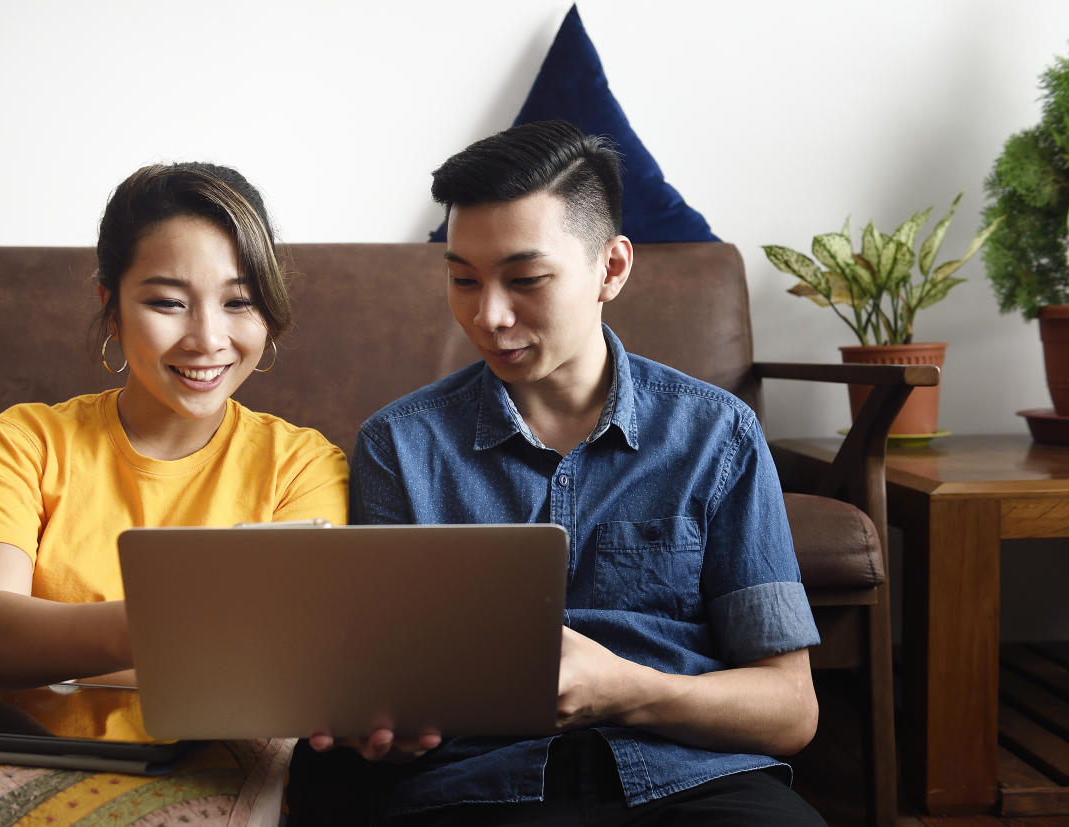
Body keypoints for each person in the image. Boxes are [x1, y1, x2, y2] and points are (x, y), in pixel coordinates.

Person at [304, 120, 824, 826]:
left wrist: (627, 690)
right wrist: (382, 732)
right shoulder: (397, 445)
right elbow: (387, 696)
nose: (487, 315)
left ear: (612, 267)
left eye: (526, 279)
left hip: (691, 781)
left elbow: (790, 707)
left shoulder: (716, 432)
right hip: (481, 787)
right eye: (462, 278)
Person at [0, 161, 348, 700]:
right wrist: (196, 637)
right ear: (110, 308)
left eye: (238, 301)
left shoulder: (302, 466)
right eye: (168, 302)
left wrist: (32, 660)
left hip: (206, 761)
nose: (207, 339)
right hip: (13, 749)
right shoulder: (21, 442)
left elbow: (279, 668)